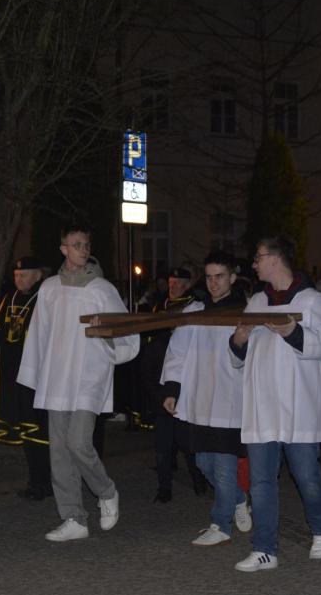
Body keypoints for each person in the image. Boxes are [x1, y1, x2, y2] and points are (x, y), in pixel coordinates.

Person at [19, 227, 140, 542]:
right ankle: (74, 517)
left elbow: (125, 330)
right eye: (76, 245)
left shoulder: (102, 289)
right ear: (63, 249)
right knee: (59, 450)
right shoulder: (49, 288)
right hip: (58, 375)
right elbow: (40, 332)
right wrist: (36, 374)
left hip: (89, 373)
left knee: (78, 442)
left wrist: (109, 337)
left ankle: (106, 491)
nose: (83, 249)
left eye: (86, 244)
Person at [229, 236, 321, 572]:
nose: (254, 264)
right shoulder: (257, 301)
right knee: (261, 481)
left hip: (299, 405)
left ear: (276, 259)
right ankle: (265, 549)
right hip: (263, 405)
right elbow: (240, 356)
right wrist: (238, 341)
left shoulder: (311, 300)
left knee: (307, 476)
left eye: (258, 257)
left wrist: (294, 332)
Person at [161, 252, 252, 546]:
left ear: (232, 278)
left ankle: (221, 524)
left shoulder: (245, 311)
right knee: (204, 463)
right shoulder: (195, 311)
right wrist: (172, 389)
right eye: (209, 277)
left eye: (219, 276)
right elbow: (177, 351)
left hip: (230, 399)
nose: (213, 283)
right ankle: (239, 498)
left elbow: (253, 354)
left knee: (224, 467)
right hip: (199, 398)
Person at [0, 256, 51, 500]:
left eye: (24, 275)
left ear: (37, 276)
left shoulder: (44, 300)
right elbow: (3, 335)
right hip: (11, 375)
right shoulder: (9, 298)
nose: (19, 279)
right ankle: (35, 481)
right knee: (25, 431)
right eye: (17, 275)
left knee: (37, 430)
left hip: (35, 376)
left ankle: (45, 482)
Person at [141, 266, 204, 504]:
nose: (173, 286)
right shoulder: (161, 305)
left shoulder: (193, 307)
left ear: (187, 285)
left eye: (178, 283)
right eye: (171, 282)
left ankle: (198, 479)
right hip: (159, 377)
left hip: (181, 379)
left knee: (187, 439)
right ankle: (164, 487)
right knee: (163, 442)